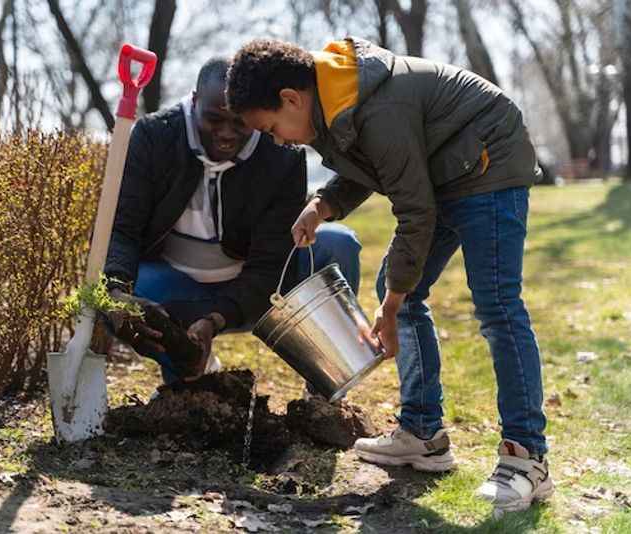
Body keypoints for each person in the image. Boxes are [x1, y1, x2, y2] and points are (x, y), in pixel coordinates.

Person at [226, 37, 552, 513]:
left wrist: (394, 302)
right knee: (395, 287)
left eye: (272, 128)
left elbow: (414, 209)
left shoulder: (378, 105)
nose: (279, 140)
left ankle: (527, 458)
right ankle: (423, 433)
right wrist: (323, 204)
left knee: (496, 304)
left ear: (290, 99)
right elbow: (371, 166)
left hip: (488, 162)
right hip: (446, 170)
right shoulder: (337, 104)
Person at [104, 56, 361, 388]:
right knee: (114, 295)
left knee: (338, 244)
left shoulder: (280, 153)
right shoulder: (154, 137)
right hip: (176, 286)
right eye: (213, 119)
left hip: (258, 288)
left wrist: (215, 319)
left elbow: (269, 266)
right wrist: (117, 290)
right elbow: (123, 229)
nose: (226, 134)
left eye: (238, 122)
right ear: (194, 101)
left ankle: (325, 389)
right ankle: (189, 372)